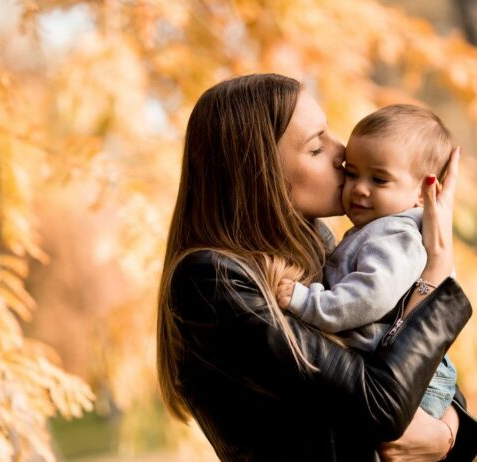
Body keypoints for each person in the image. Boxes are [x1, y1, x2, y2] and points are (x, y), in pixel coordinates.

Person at [156, 73, 477, 461]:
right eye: (315, 147)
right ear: (261, 175)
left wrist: (448, 434)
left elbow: (427, 383)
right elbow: (384, 405)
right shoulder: (214, 281)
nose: (341, 153)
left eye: (330, 133)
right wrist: (437, 272)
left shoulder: (317, 247)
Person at [276, 104, 457, 420]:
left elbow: (370, 295)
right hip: (392, 369)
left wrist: (305, 301)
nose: (359, 188)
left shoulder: (397, 234)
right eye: (352, 173)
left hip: (413, 379)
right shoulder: (376, 229)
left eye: (379, 179)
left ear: (422, 193)